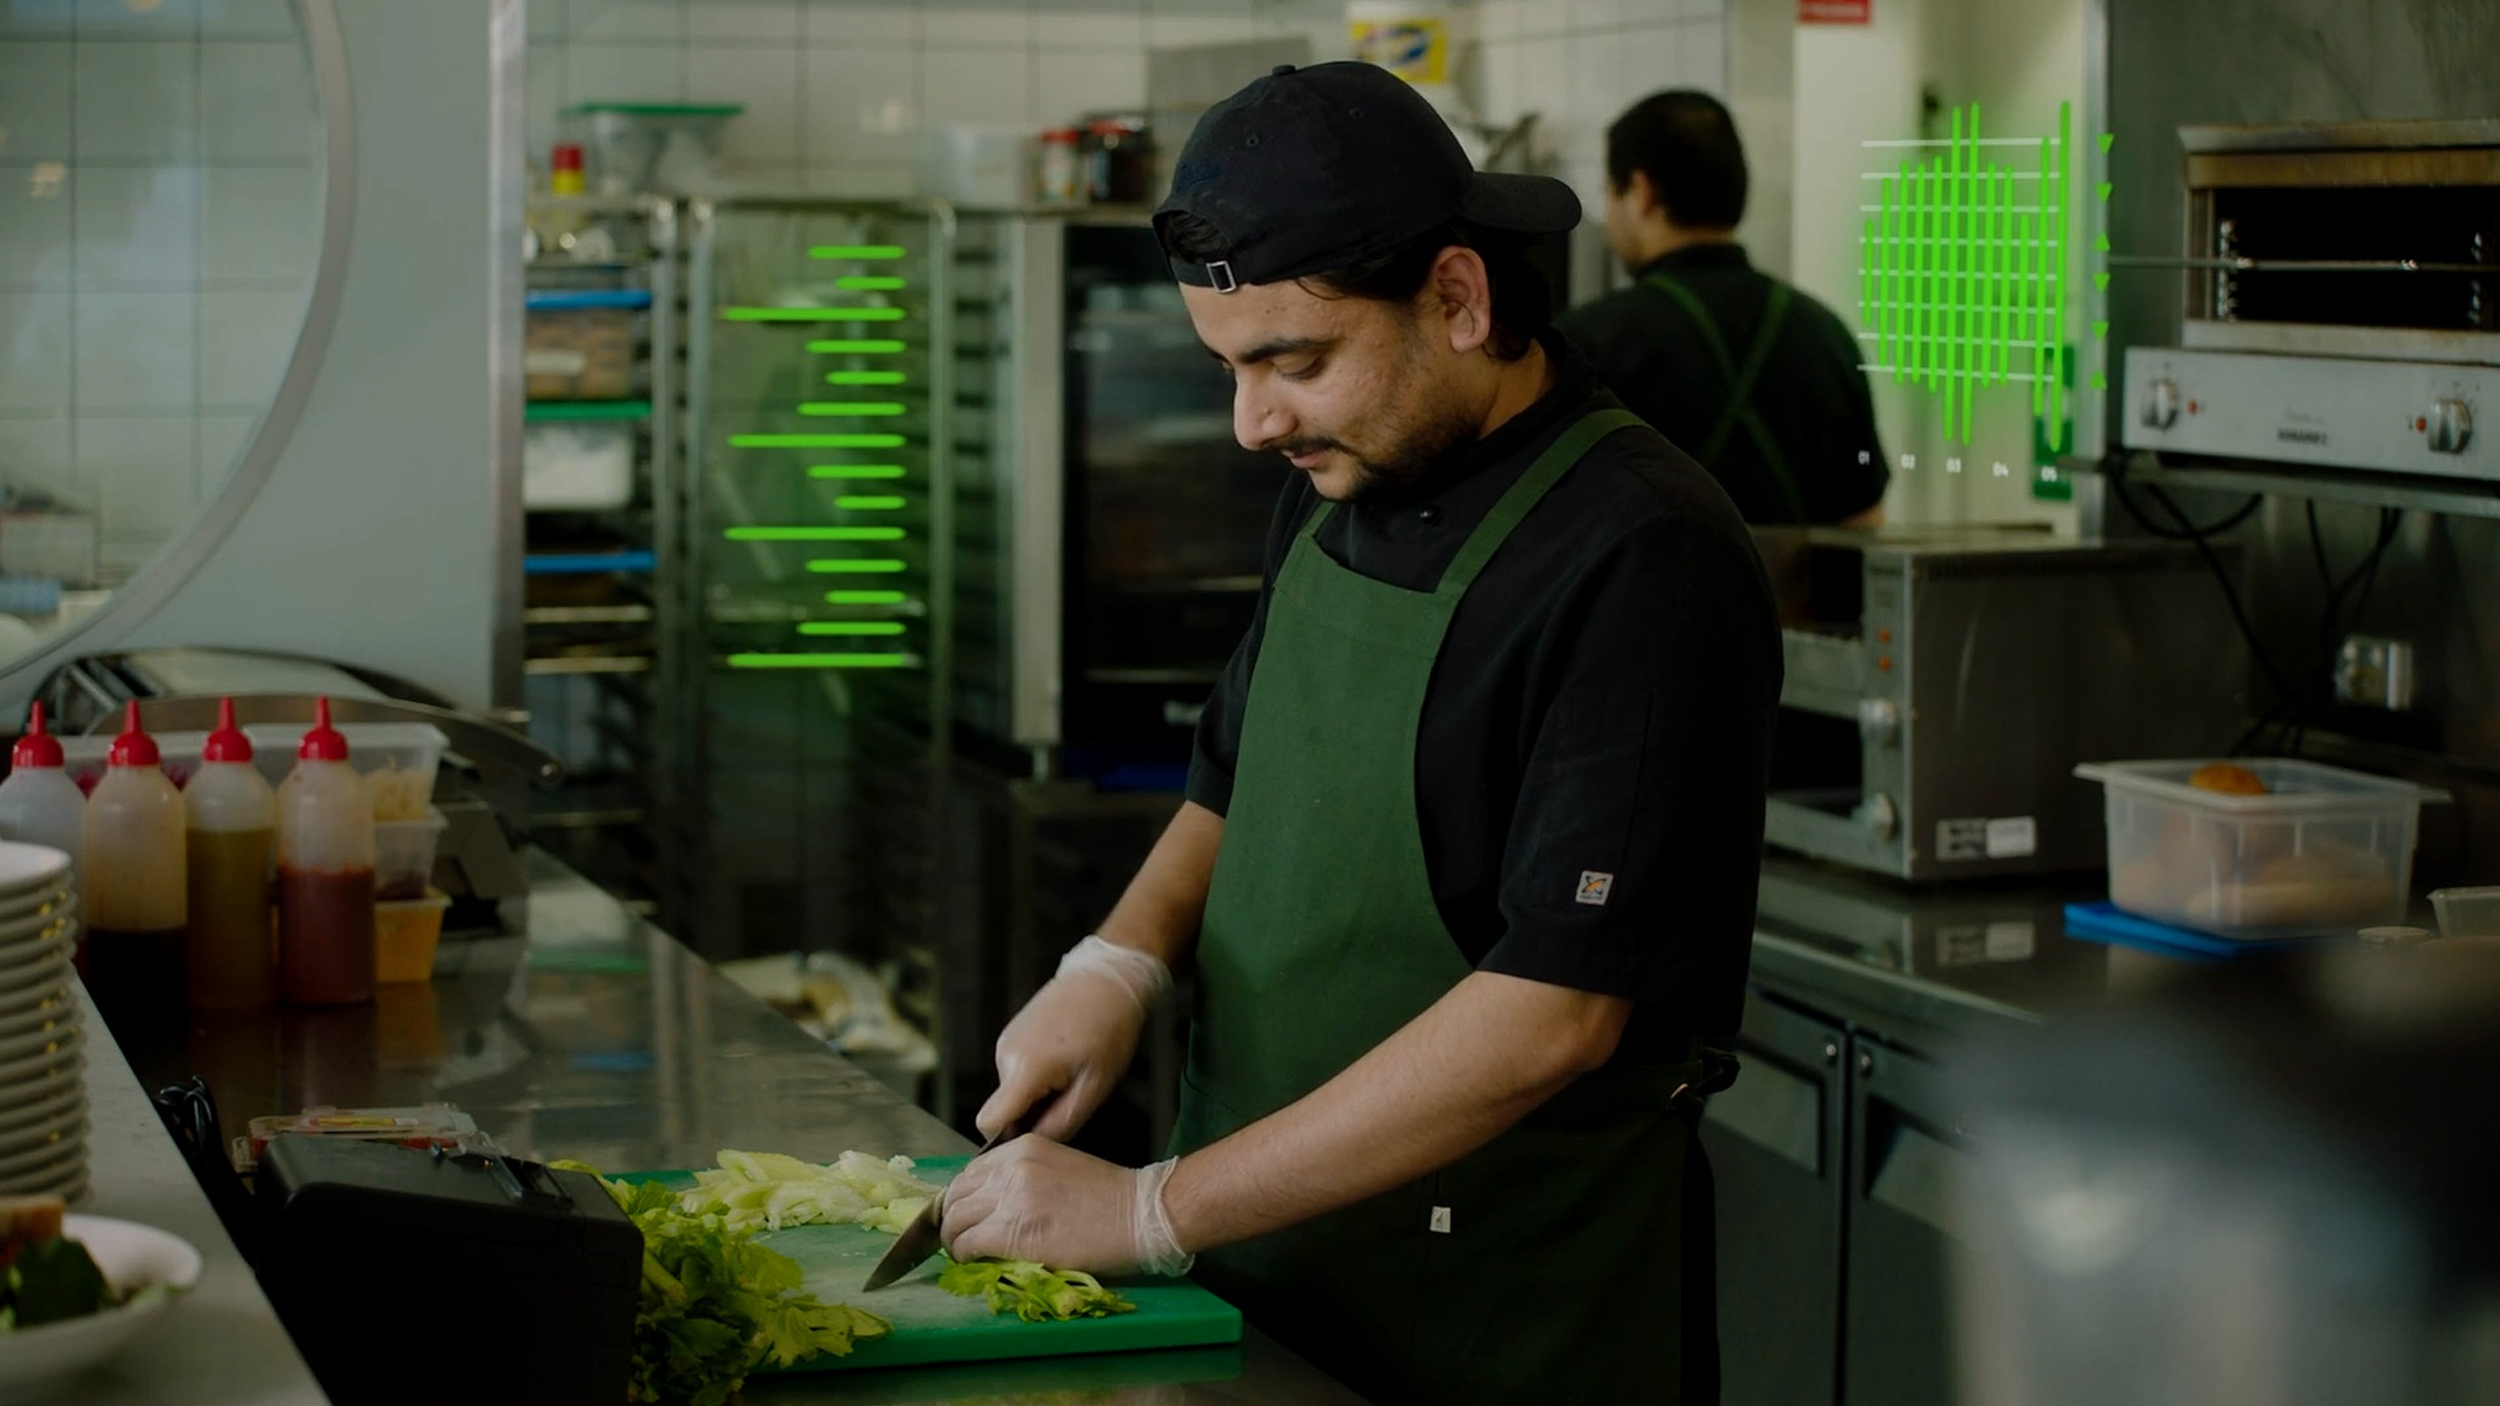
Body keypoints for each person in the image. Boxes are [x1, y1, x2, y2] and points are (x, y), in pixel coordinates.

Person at [940, 61, 1782, 1406]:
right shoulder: (1338, 480)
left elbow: (1552, 1014)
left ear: (1457, 296)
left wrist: (1151, 1207)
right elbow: (1233, 776)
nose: (1251, 423)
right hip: (1269, 1277)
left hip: (1498, 1323)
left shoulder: (1644, 557)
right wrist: (1117, 960)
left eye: (1295, 363)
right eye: (1228, 369)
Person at [1559, 89, 1889, 527]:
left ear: (1641, 193)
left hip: (1646, 595)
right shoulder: (1825, 335)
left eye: (1609, 193)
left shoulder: (1589, 342)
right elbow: (1863, 521)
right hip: (1796, 597)